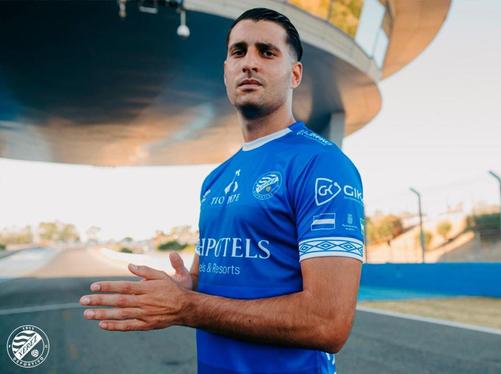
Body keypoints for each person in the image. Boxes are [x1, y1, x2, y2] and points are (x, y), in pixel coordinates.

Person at [80, 7, 365, 373]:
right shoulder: (215, 179)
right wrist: (189, 286)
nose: (249, 63)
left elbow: (328, 323)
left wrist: (187, 306)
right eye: (238, 52)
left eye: (267, 52)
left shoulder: (322, 164)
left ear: (295, 74)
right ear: (226, 71)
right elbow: (222, 280)